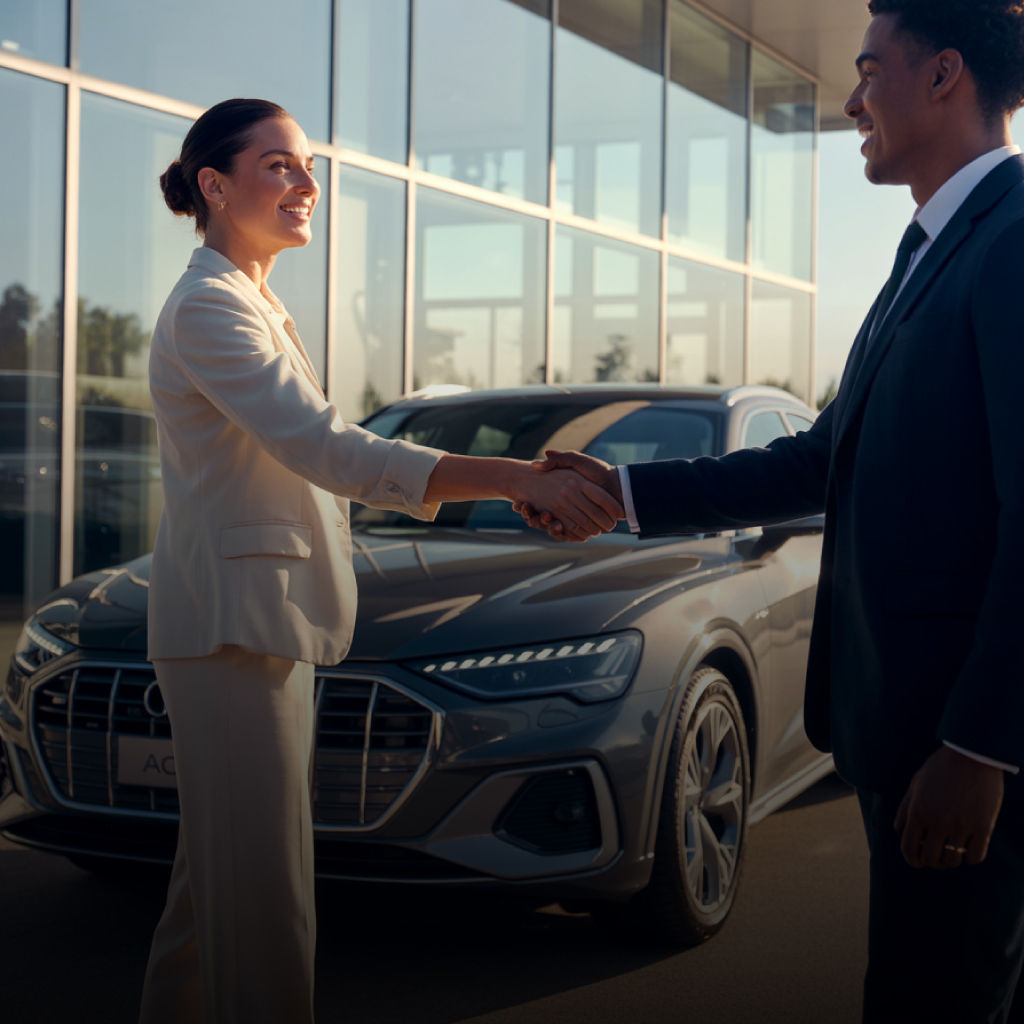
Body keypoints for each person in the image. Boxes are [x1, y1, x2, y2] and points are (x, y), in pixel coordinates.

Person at [521, 2, 1024, 1020]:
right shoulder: (925, 253)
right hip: (903, 738)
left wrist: (979, 748)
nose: (850, 102)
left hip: (956, 752)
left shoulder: (1012, 245)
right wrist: (616, 491)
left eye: (867, 70)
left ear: (943, 77)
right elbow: (815, 461)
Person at [139, 97, 621, 1024]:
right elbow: (335, 452)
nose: (307, 183)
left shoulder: (245, 299)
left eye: (308, 165)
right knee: (266, 910)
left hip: (250, 626)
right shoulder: (208, 307)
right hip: (234, 634)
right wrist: (518, 477)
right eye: (280, 165)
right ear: (214, 183)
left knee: (213, 908)